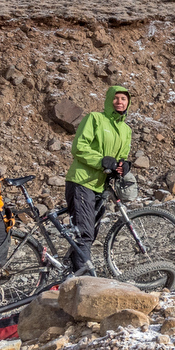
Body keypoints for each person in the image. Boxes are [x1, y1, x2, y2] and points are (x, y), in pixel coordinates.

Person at [65, 84, 133, 271]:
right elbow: (79, 147)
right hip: (81, 181)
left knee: (89, 232)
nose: (120, 102)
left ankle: (71, 272)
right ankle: (85, 277)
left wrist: (123, 165)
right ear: (109, 100)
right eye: (116, 98)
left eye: (124, 99)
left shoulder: (126, 130)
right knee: (85, 233)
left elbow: (122, 157)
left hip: (100, 186)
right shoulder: (95, 119)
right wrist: (102, 161)